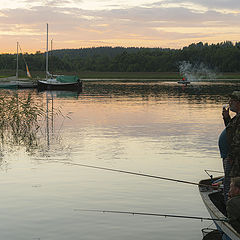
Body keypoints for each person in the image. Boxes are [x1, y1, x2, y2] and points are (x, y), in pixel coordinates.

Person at [221, 91, 240, 201]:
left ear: (238, 103)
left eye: (231, 101)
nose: (229, 103)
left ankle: (230, 208)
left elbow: (237, 141)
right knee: (230, 182)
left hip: (234, 159)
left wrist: (231, 157)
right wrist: (226, 118)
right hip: (231, 157)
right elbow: (231, 133)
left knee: (230, 184)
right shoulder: (237, 117)